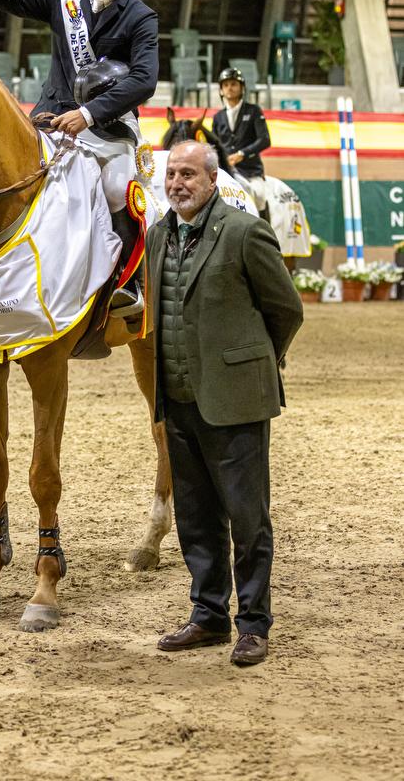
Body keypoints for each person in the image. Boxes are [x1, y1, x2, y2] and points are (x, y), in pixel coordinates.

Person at [146, 140, 302, 666]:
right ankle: (208, 615)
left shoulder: (243, 231)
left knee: (247, 517)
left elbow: (286, 309)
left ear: (212, 180)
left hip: (235, 399)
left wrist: (253, 362)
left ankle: (254, 624)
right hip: (179, 398)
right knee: (195, 516)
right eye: (171, 174)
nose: (177, 184)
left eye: (188, 174)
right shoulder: (157, 235)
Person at [0, 0, 159, 315]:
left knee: (116, 189)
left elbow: (144, 80)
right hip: (50, 117)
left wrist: (88, 114)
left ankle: (129, 282)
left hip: (108, 127)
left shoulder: (141, 17)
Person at [211, 67, 271, 215]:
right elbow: (214, 145)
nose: (229, 88)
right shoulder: (218, 117)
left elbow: (264, 139)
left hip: (250, 170)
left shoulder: (254, 111)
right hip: (226, 170)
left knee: (260, 196)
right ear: (221, 90)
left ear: (241, 87)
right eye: (225, 85)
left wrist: (242, 154)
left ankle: (264, 232)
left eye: (233, 84)